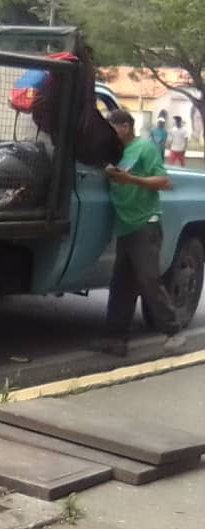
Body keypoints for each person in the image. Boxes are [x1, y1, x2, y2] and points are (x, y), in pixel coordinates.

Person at [101, 110, 185, 356]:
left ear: (125, 127)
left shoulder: (145, 149)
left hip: (145, 223)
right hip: (126, 225)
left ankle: (173, 330)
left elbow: (164, 182)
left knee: (148, 279)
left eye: (112, 127)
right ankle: (116, 339)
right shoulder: (115, 154)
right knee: (121, 284)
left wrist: (131, 180)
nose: (110, 133)